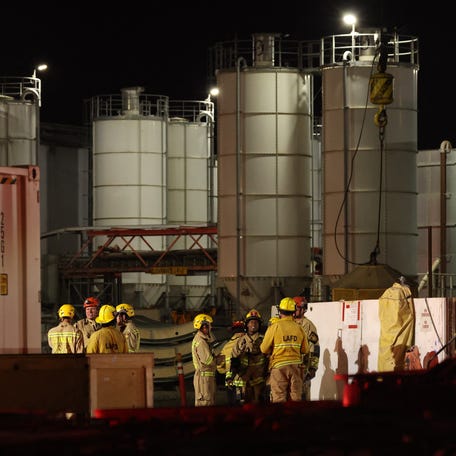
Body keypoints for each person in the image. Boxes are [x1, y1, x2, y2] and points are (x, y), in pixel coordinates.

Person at [260, 297, 309, 403]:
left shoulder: (274, 327)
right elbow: (305, 350)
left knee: (279, 399)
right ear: (293, 312)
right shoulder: (299, 328)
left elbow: (263, 349)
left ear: (280, 311)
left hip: (279, 367)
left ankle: (281, 419)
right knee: (296, 398)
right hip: (296, 367)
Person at [227, 309, 268, 404]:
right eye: (251, 322)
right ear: (247, 325)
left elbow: (269, 359)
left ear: (259, 325)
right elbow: (233, 359)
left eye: (256, 322)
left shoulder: (264, 340)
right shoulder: (240, 341)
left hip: (259, 383)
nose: (253, 324)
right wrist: (230, 377)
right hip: (243, 383)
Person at [293, 296, 320, 400]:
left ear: (303, 310)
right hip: (289, 366)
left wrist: (313, 368)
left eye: (298, 308)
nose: (295, 310)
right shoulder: (287, 322)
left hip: (303, 367)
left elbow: (315, 347)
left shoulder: (308, 325)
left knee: (302, 397)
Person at [191, 313, 218, 406]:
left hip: (206, 379)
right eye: (205, 326)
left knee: (209, 403)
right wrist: (218, 361)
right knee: (205, 404)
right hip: (203, 380)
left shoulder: (203, 340)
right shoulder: (201, 341)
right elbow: (208, 360)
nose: (208, 328)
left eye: (208, 326)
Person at [217, 320, 245, 405]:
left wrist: (225, 371)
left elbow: (219, 366)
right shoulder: (248, 342)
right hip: (244, 382)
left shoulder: (226, 346)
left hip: (230, 382)